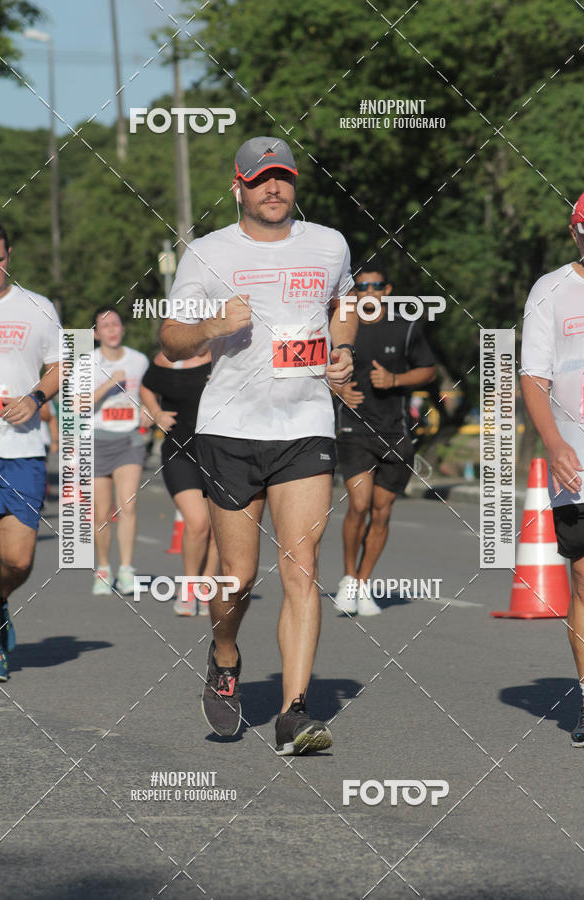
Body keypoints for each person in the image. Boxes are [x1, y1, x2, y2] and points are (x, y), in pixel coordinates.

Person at [160, 135, 357, 754]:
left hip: (304, 425)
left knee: (303, 568)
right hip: (230, 428)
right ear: (238, 187)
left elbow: (345, 303)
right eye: (260, 179)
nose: (273, 188)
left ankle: (295, 712)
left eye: (283, 177)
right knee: (238, 577)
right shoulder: (208, 252)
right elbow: (171, 337)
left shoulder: (328, 244)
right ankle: (225, 654)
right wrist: (212, 326)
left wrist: (342, 347)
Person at [520, 188, 584, 747]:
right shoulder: (551, 290)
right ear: (576, 233)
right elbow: (533, 377)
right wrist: (553, 442)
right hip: (577, 461)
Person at [333, 266, 436, 615]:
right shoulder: (342, 327)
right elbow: (314, 367)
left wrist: (395, 380)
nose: (368, 292)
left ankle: (364, 583)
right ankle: (348, 578)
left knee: (382, 512)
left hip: (395, 432)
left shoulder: (404, 327)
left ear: (387, 290)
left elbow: (428, 370)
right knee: (359, 504)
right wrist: (337, 388)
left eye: (375, 286)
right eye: (361, 287)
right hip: (354, 429)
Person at [0, 221, 61, 682]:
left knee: (18, 559)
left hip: (22, 448)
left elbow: (61, 365)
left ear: (9, 256)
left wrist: (35, 398)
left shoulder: (37, 307)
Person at [141, 349, 218, 616]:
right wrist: (156, 412)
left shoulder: (224, 354)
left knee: (218, 527)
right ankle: (189, 587)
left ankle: (206, 588)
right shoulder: (167, 358)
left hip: (220, 453)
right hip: (179, 451)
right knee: (198, 521)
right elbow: (147, 386)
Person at [89, 307, 149, 596]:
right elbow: (76, 404)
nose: (112, 329)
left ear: (123, 328)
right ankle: (103, 569)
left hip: (129, 439)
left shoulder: (139, 360)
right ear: (96, 334)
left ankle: (126, 569)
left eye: (116, 323)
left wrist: (148, 410)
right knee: (101, 513)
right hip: (97, 440)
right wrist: (109, 384)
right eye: (105, 325)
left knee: (128, 506)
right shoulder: (88, 363)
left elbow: (148, 394)